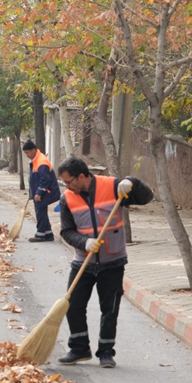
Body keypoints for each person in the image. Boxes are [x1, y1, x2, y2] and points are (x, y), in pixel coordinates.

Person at [55, 156, 153, 368]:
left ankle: (106, 351)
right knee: (73, 305)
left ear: (82, 176)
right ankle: (79, 348)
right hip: (83, 261)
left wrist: (132, 182)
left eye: (69, 181)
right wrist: (84, 242)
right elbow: (66, 231)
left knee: (110, 309)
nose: (67, 186)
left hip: (113, 261)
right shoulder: (67, 199)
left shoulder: (114, 187)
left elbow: (146, 197)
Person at [22, 139, 60, 241]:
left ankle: (40, 235)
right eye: (25, 153)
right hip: (42, 192)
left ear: (34, 150)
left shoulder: (41, 161)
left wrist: (39, 193)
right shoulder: (36, 159)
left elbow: (45, 179)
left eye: (27, 152)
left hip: (46, 192)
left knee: (40, 212)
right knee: (41, 211)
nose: (26, 155)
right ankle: (48, 234)